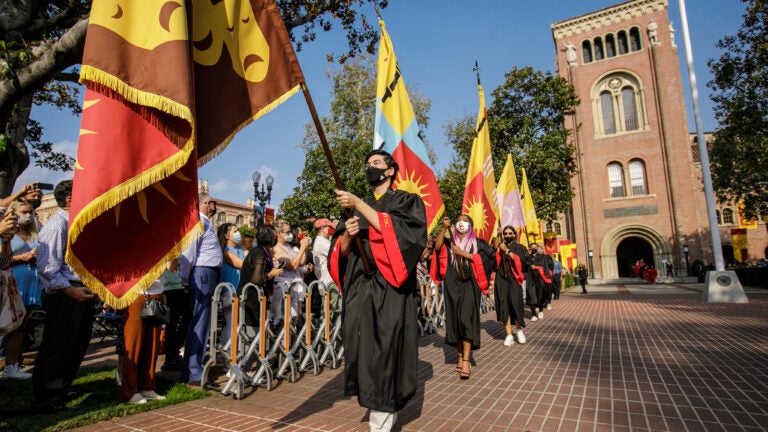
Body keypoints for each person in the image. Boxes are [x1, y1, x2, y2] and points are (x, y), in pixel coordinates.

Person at [329, 149, 426, 432]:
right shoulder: (355, 210)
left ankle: (382, 415)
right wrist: (347, 234)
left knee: (386, 347)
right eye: (367, 164)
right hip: (361, 285)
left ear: (390, 170)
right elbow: (341, 254)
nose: (370, 167)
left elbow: (407, 238)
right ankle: (376, 404)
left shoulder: (407, 201)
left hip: (391, 287)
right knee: (362, 347)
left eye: (376, 163)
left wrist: (359, 202)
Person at [33, 180, 97, 412]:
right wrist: (70, 291)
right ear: (69, 199)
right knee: (58, 346)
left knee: (76, 344)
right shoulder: (56, 225)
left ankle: (61, 388)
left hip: (80, 289)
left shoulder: (72, 223)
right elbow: (47, 267)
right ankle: (47, 396)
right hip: (65, 293)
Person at [435, 215, 494, 379]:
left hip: (470, 284)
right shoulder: (449, 242)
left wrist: (465, 255)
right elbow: (437, 247)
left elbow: (490, 260)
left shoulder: (478, 243)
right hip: (452, 283)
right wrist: (444, 229)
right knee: (455, 320)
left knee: (466, 319)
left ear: (470, 225)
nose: (461, 223)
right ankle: (459, 356)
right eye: (459, 220)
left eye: (465, 221)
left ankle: (467, 360)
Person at [179, 193, 223, 387]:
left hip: (208, 273)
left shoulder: (205, 223)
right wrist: (185, 279)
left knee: (199, 322)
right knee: (200, 322)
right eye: (214, 203)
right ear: (206, 203)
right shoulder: (198, 221)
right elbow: (189, 251)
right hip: (202, 273)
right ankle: (194, 372)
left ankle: (189, 369)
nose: (216, 207)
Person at [3, 201, 42, 379]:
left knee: (20, 326)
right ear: (13, 213)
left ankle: (12, 365)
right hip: (13, 281)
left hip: (32, 281)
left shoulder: (34, 232)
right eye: (24, 212)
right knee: (7, 324)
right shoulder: (6, 232)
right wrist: (21, 257)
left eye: (30, 212)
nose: (28, 215)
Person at [120, 278, 166, 404]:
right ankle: (129, 391)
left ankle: (147, 386)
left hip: (156, 294)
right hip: (137, 293)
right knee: (134, 345)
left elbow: (172, 269)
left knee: (152, 346)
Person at [238, 225, 283, 328]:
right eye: (274, 236)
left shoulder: (262, 251)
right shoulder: (260, 252)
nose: (275, 239)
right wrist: (272, 274)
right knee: (252, 330)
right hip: (251, 299)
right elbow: (257, 279)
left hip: (257, 298)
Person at [495, 226, 530, 346]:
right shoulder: (499, 246)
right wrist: (497, 236)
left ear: (514, 234)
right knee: (504, 306)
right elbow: (493, 255)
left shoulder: (520, 248)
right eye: (505, 233)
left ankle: (519, 330)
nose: (508, 235)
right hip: (501, 279)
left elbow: (525, 262)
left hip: (514, 279)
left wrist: (508, 252)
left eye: (510, 233)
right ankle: (509, 334)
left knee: (516, 304)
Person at [272, 219, 310, 327]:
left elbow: (301, 262)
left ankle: (289, 343)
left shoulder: (289, 247)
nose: (290, 234)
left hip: (294, 287)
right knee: (284, 320)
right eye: (287, 232)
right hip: (283, 288)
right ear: (279, 233)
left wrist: (305, 248)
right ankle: (283, 343)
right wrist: (302, 248)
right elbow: (293, 265)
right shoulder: (275, 248)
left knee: (293, 320)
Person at [218, 222, 244, 352]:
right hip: (229, 290)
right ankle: (228, 355)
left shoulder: (240, 249)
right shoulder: (225, 251)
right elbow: (241, 264)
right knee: (231, 323)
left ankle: (232, 352)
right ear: (227, 235)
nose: (238, 233)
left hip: (240, 290)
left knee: (237, 324)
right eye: (234, 231)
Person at [160, 258, 189, 373]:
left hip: (182, 288)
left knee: (186, 319)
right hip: (170, 288)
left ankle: (174, 352)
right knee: (172, 323)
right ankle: (170, 358)